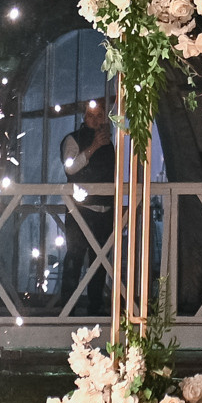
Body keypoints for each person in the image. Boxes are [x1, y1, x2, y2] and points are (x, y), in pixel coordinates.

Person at [59, 102, 116, 303]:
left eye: (99, 115)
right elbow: (70, 168)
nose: (95, 120)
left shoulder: (109, 144)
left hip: (105, 210)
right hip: (79, 210)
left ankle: (95, 306)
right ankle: (67, 307)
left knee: (99, 261)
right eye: (91, 116)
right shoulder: (72, 140)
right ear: (84, 117)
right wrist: (93, 147)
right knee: (74, 257)